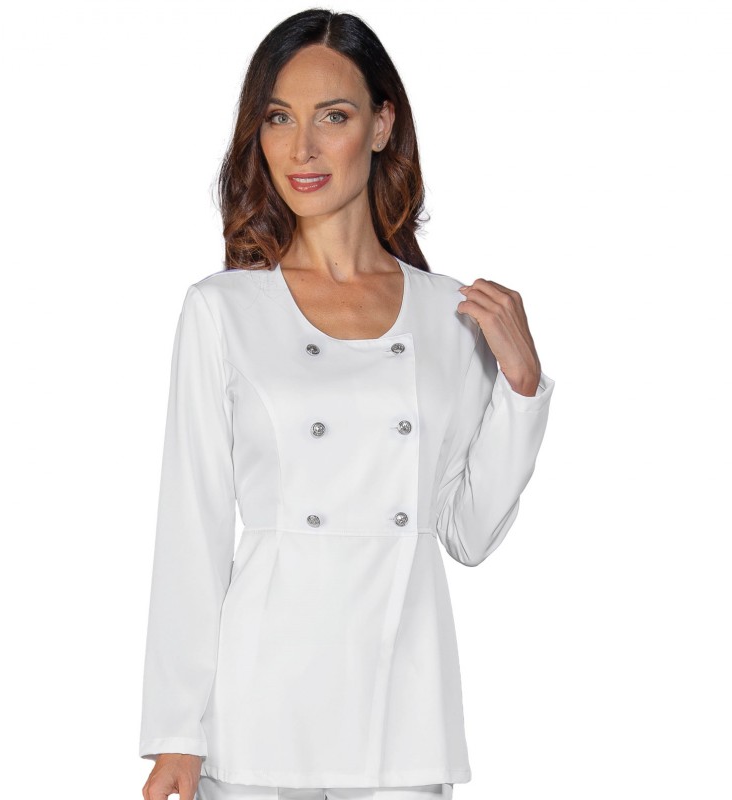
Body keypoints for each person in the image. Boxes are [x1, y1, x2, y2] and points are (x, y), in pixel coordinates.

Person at [139, 9, 556, 800]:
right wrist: (176, 735)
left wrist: (522, 389)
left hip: (403, 711)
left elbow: (467, 534)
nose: (301, 149)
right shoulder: (224, 310)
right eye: (278, 119)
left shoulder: (449, 314)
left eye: (332, 116)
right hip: (261, 712)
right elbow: (191, 527)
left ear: (381, 125)